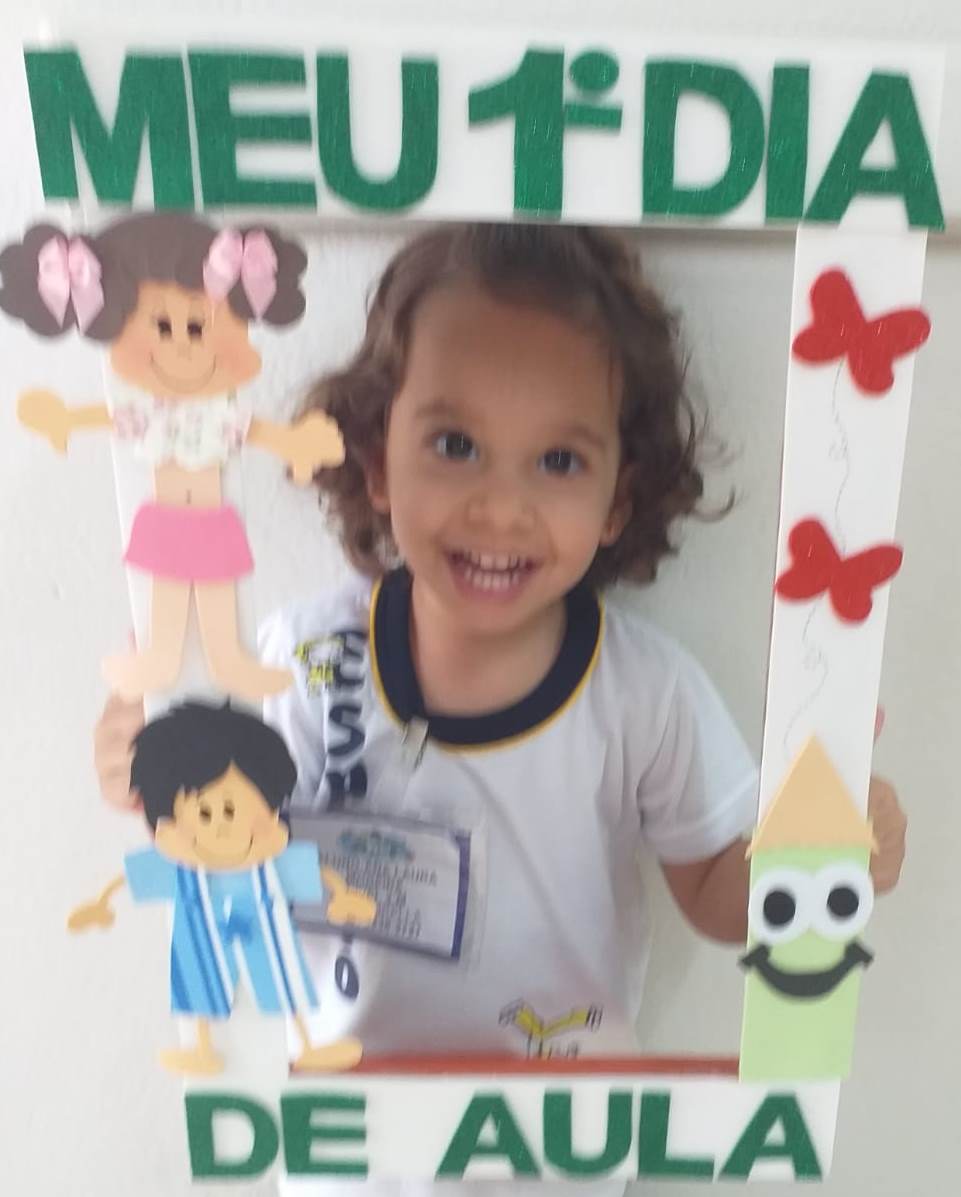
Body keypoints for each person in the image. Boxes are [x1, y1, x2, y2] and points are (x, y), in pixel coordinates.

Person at [94, 224, 906, 1189]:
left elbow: (715, 895)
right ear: (377, 462)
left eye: (558, 461)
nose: (500, 507)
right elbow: (231, 853)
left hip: (564, 1154)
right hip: (356, 1154)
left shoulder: (641, 691)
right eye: (456, 445)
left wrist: (821, 858)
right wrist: (160, 776)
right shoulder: (299, 662)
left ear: (617, 499)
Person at [0, 214, 343, 701]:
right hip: (166, 517)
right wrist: (64, 419)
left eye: (198, 326)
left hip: (212, 517)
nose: (181, 344)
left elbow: (255, 431)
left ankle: (230, 661)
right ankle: (159, 659)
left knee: (218, 593)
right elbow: (113, 418)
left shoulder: (222, 414)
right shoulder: (147, 411)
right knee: (167, 594)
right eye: (161, 326)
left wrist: (298, 443)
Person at [72, 701, 375, 1075]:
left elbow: (317, 873)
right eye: (203, 813)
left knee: (283, 987)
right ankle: (202, 1049)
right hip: (203, 940)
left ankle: (307, 1047)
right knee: (201, 994)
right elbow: (130, 877)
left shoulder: (274, 866)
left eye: (230, 811)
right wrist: (101, 904)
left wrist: (343, 896)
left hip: (269, 938)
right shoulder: (183, 870)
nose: (219, 827)